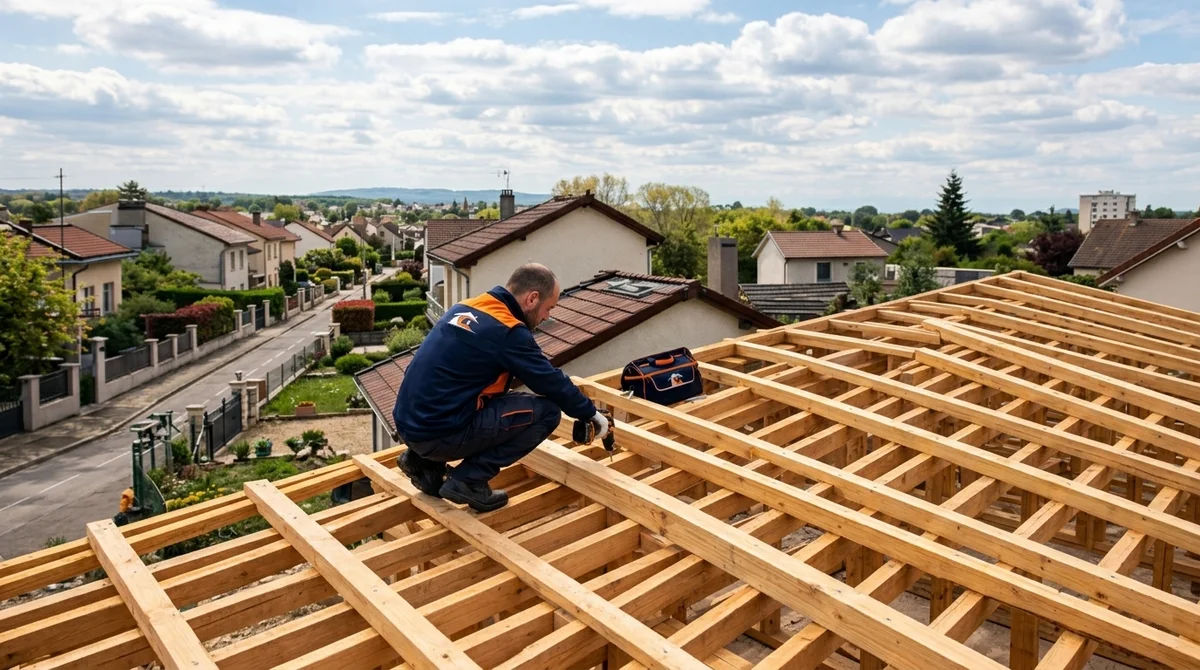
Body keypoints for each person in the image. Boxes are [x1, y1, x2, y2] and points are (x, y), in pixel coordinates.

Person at [392, 263, 610, 511]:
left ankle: (422, 464)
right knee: (548, 412)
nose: (547, 317)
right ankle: (468, 480)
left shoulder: (469, 306)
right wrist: (589, 413)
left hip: (409, 425)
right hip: (438, 434)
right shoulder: (507, 331)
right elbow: (550, 381)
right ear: (532, 298)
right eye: (548, 308)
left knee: (491, 393)